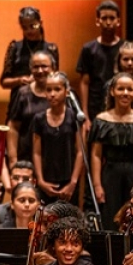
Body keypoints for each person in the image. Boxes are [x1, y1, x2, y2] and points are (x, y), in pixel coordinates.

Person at [89, 72, 133, 228]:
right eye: (120, 89)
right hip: (110, 175)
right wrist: (97, 185)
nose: (125, 93)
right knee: (110, 217)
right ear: (112, 91)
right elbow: (96, 155)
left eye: (129, 89)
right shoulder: (101, 120)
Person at [30, 71, 83, 204]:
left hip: (69, 181)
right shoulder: (39, 118)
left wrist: (73, 182)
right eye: (49, 90)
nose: (52, 94)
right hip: (46, 180)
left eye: (57, 89)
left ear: (66, 91)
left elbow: (80, 152)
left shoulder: (74, 117)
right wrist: (41, 181)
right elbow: (36, 152)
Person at [0, 6, 60, 118]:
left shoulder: (51, 49)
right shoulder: (15, 48)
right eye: (24, 27)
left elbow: (55, 79)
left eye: (33, 26)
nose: (29, 31)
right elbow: (4, 82)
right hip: (19, 103)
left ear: (40, 23)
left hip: (45, 103)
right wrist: (20, 80)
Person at [5, 51, 57, 175]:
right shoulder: (23, 93)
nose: (40, 71)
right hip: (27, 159)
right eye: (35, 67)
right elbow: (13, 127)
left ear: (53, 68)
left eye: (44, 66)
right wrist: (13, 161)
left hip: (54, 160)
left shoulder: (63, 94)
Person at [77, 0, 123, 117]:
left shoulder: (125, 48)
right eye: (104, 18)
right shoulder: (88, 49)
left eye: (112, 18)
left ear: (118, 21)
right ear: (98, 21)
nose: (108, 22)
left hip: (120, 103)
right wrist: (85, 114)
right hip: (95, 106)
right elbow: (84, 82)